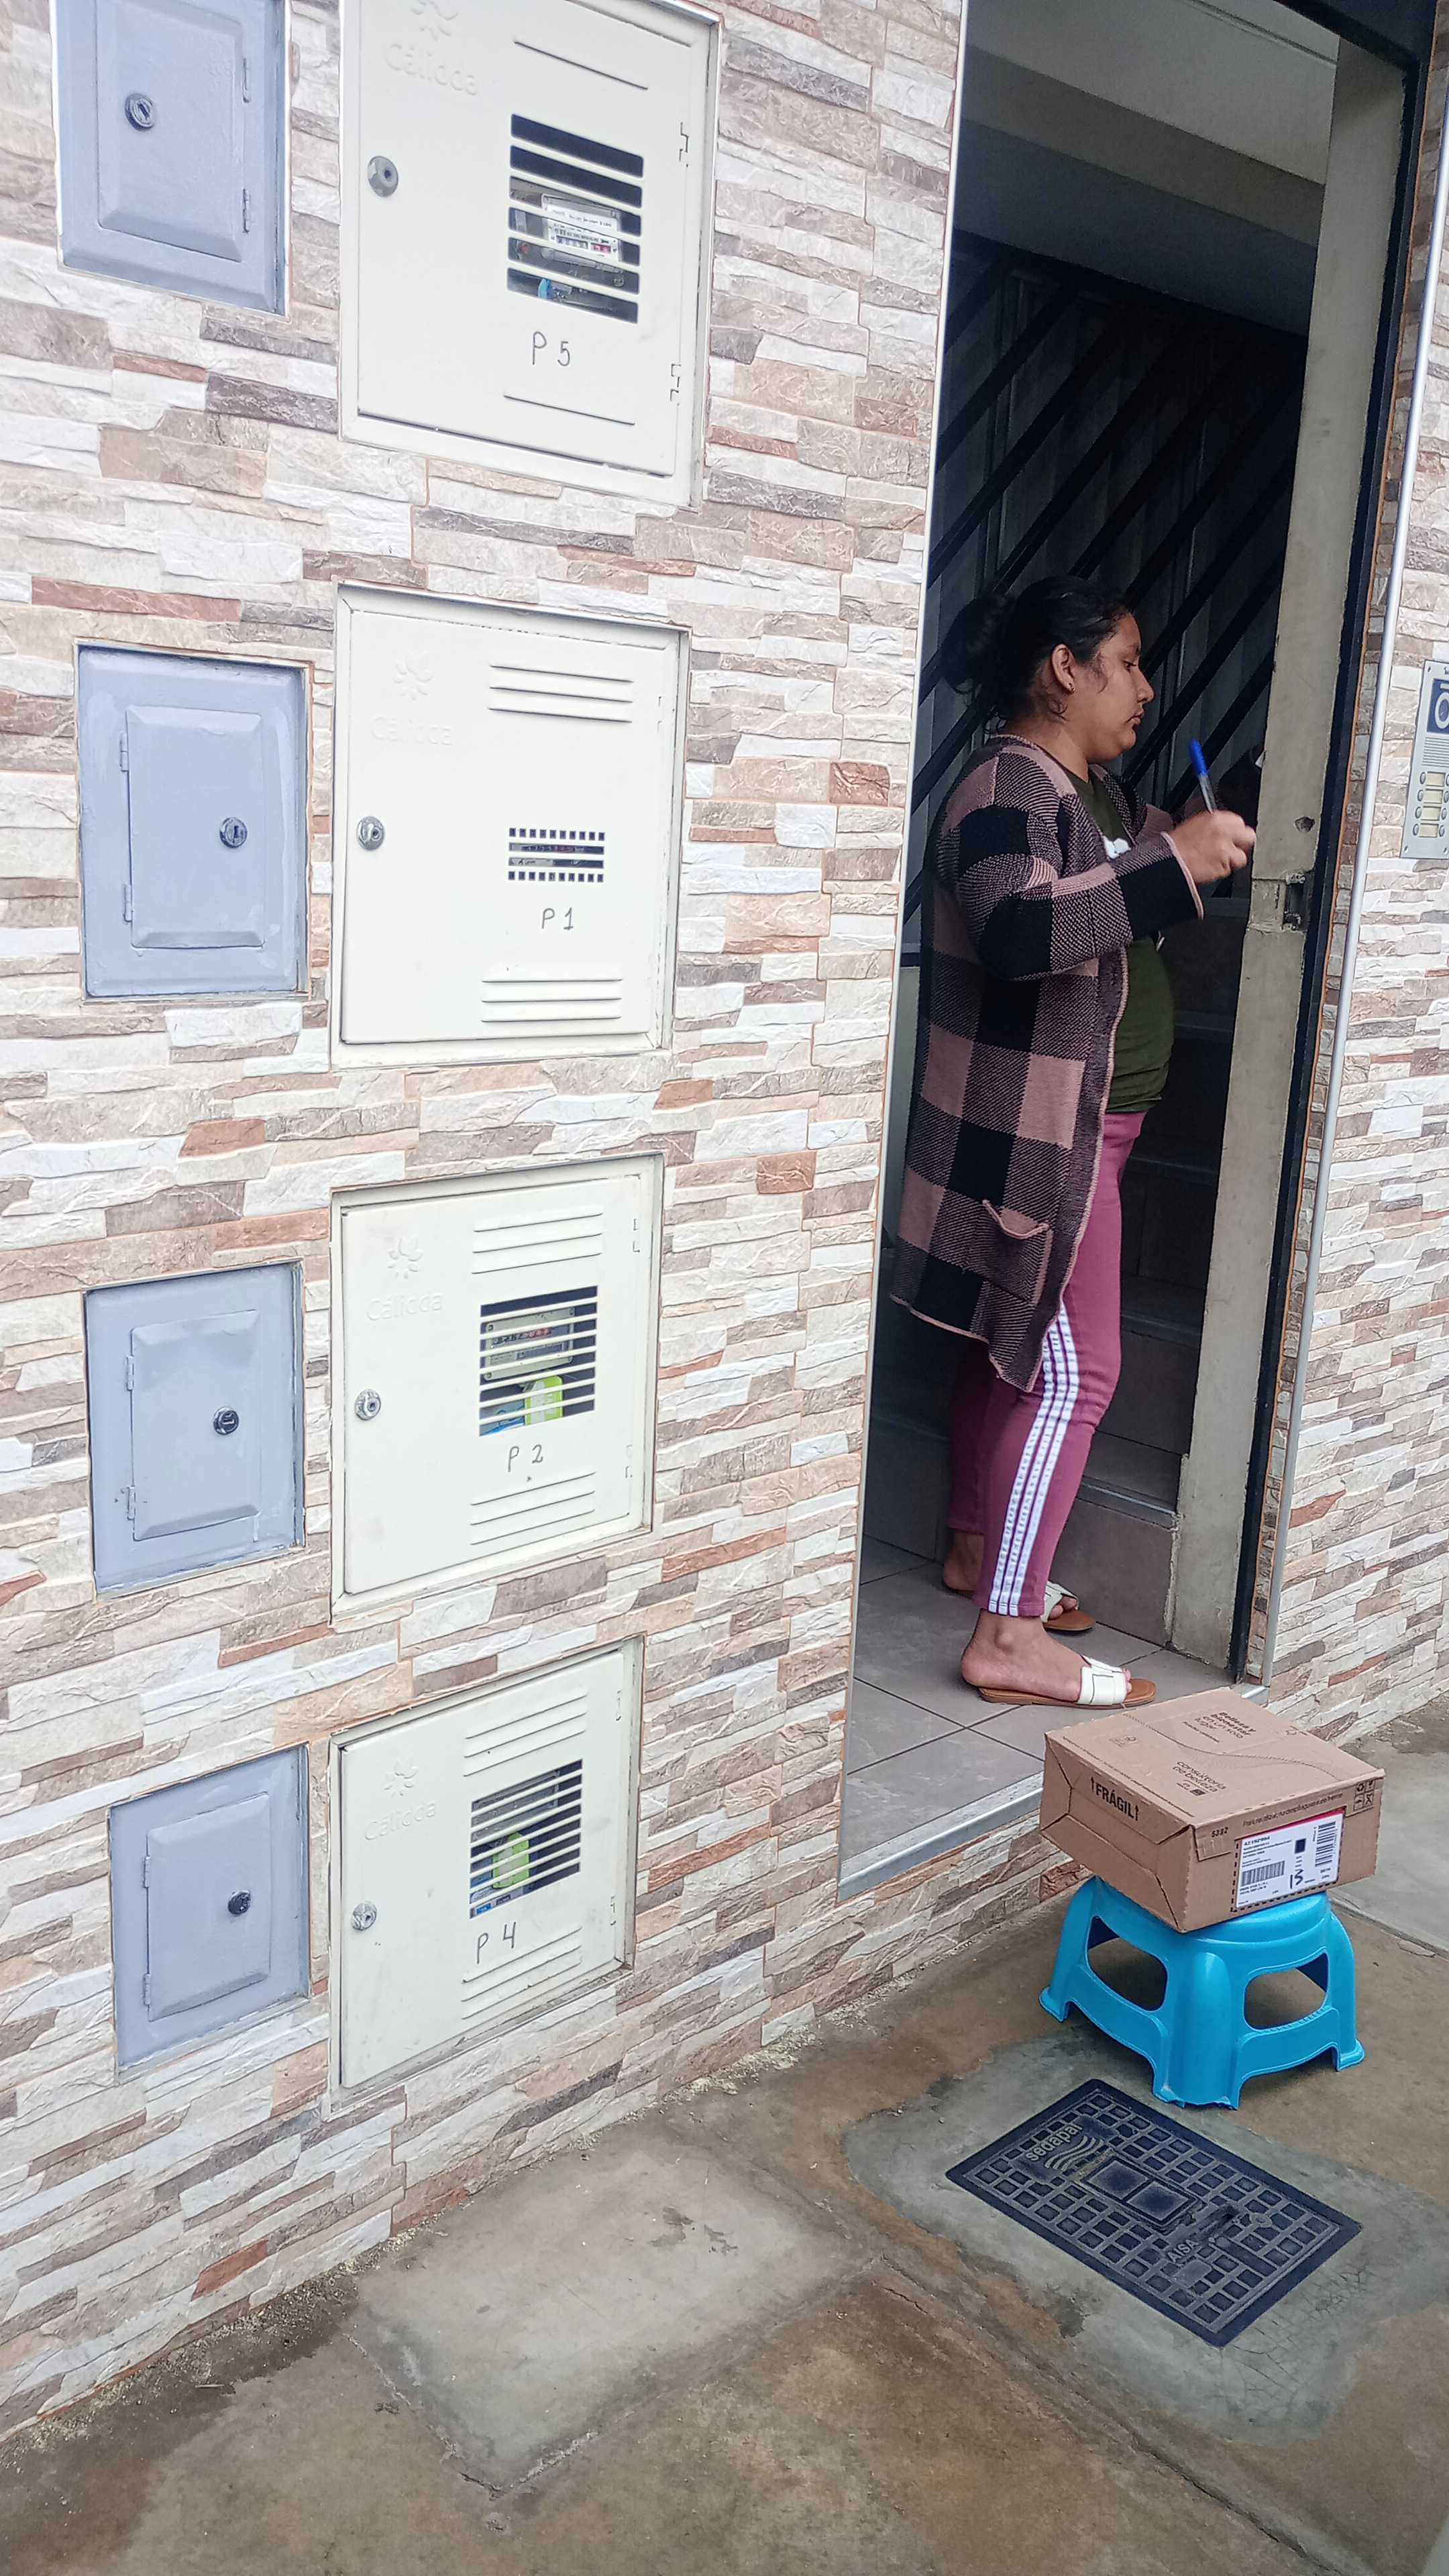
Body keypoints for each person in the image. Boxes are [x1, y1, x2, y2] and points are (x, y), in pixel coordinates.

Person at [894, 577, 1253, 1710]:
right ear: (1065, 667)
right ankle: (1009, 1632)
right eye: (1129, 663)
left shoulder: (1090, 792)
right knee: (1079, 1369)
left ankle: (976, 1549)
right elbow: (1015, 929)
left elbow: (1122, 882)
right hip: (1039, 1141)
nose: (1145, 688)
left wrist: (1186, 843)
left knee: (1009, 1346)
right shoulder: (1004, 783)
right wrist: (1171, 864)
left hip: (1086, 1128)